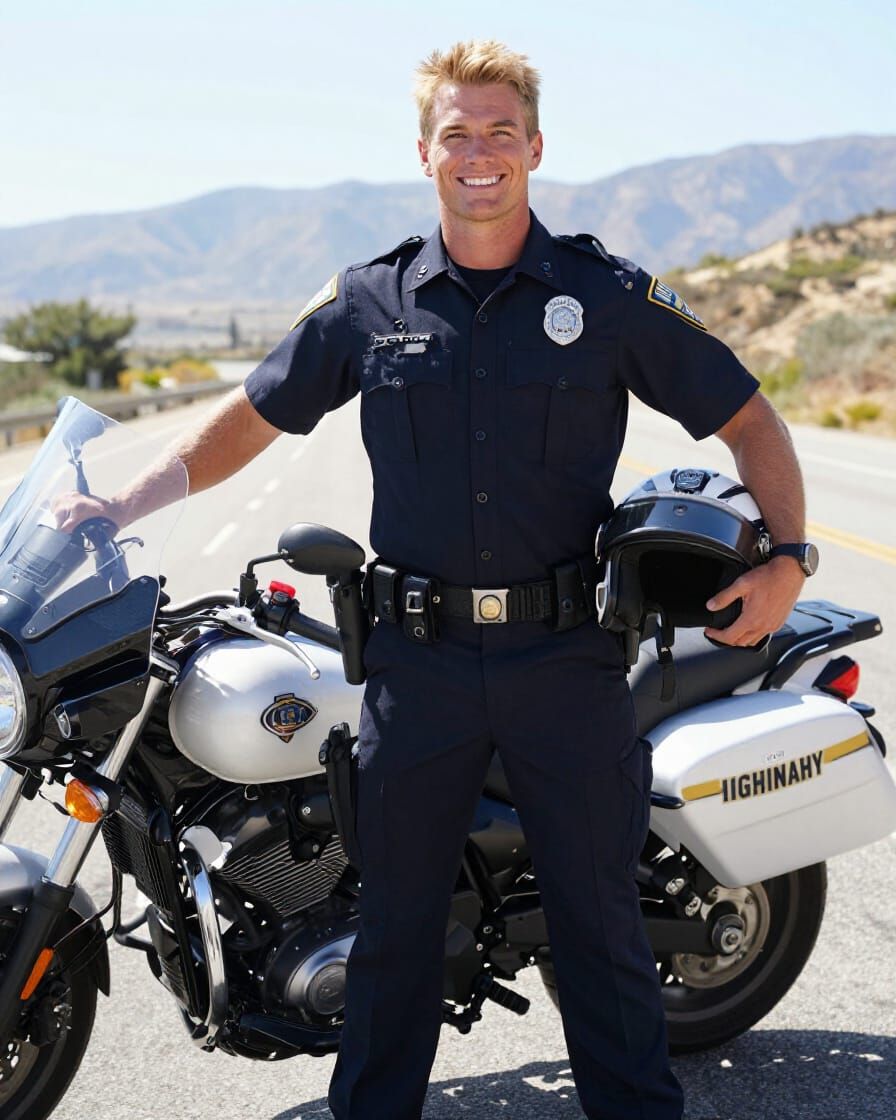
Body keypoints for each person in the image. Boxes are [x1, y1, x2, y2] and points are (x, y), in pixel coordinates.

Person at [58, 40, 812, 1120]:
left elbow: (748, 418)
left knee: (599, 929)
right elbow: (253, 418)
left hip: (565, 661)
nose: (479, 153)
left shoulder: (603, 295)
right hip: (419, 670)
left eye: (500, 131)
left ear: (534, 147)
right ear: (424, 154)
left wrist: (787, 557)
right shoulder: (370, 299)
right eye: (457, 133)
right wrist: (122, 505)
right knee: (396, 933)